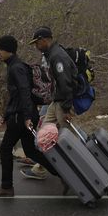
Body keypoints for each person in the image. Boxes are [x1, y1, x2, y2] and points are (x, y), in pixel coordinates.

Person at [0, 35, 56, 197]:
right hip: (22, 113)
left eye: (0, 49)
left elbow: (25, 92)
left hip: (20, 117)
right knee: (32, 152)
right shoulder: (15, 65)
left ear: (6, 50)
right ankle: (63, 174)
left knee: (5, 148)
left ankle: (6, 187)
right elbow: (16, 95)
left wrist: (26, 117)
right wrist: (6, 114)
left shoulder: (16, 67)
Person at [20, 26, 78, 180]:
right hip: (55, 102)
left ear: (43, 40)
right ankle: (42, 167)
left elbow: (65, 83)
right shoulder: (51, 54)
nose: (36, 47)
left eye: (37, 44)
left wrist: (66, 108)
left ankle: (77, 170)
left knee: (66, 138)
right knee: (43, 136)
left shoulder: (57, 56)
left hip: (62, 103)